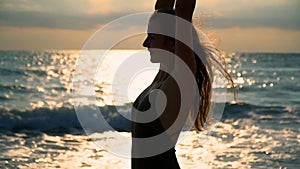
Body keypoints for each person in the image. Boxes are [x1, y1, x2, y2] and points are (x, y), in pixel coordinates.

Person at [131, 0, 233, 168]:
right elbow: (163, 7)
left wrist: (181, 17)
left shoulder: (180, 79)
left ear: (173, 43)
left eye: (152, 37)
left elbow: (183, 9)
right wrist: (162, 9)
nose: (145, 43)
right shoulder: (163, 75)